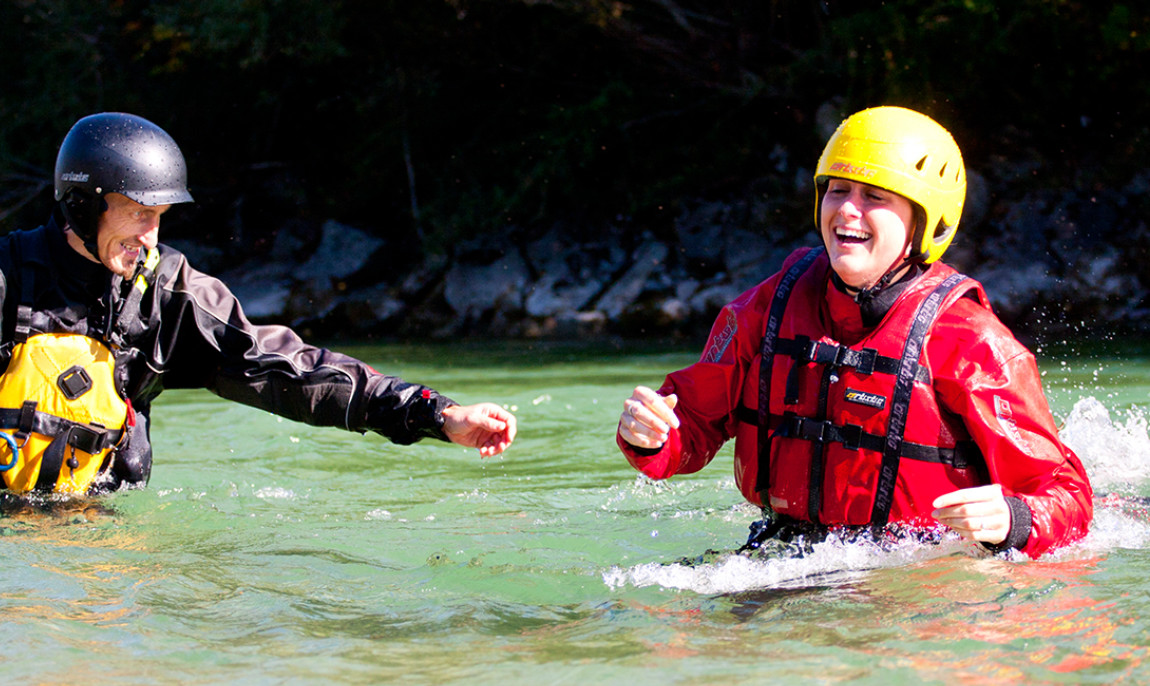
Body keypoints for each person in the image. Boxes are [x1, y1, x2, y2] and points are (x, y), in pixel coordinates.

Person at [616, 106, 1092, 558]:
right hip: (786, 552)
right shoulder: (767, 306)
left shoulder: (973, 344)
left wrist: (1015, 519)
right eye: (838, 190)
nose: (847, 210)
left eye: (875, 197)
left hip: (923, 571)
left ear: (925, 222)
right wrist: (651, 437)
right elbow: (691, 429)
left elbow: (1064, 496)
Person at [0, 112, 516, 495]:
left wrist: (434, 413)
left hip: (94, 534)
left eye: (160, 215)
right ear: (83, 205)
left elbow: (291, 370)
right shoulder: (7, 275)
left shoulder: (167, 294)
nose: (151, 236)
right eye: (137, 213)